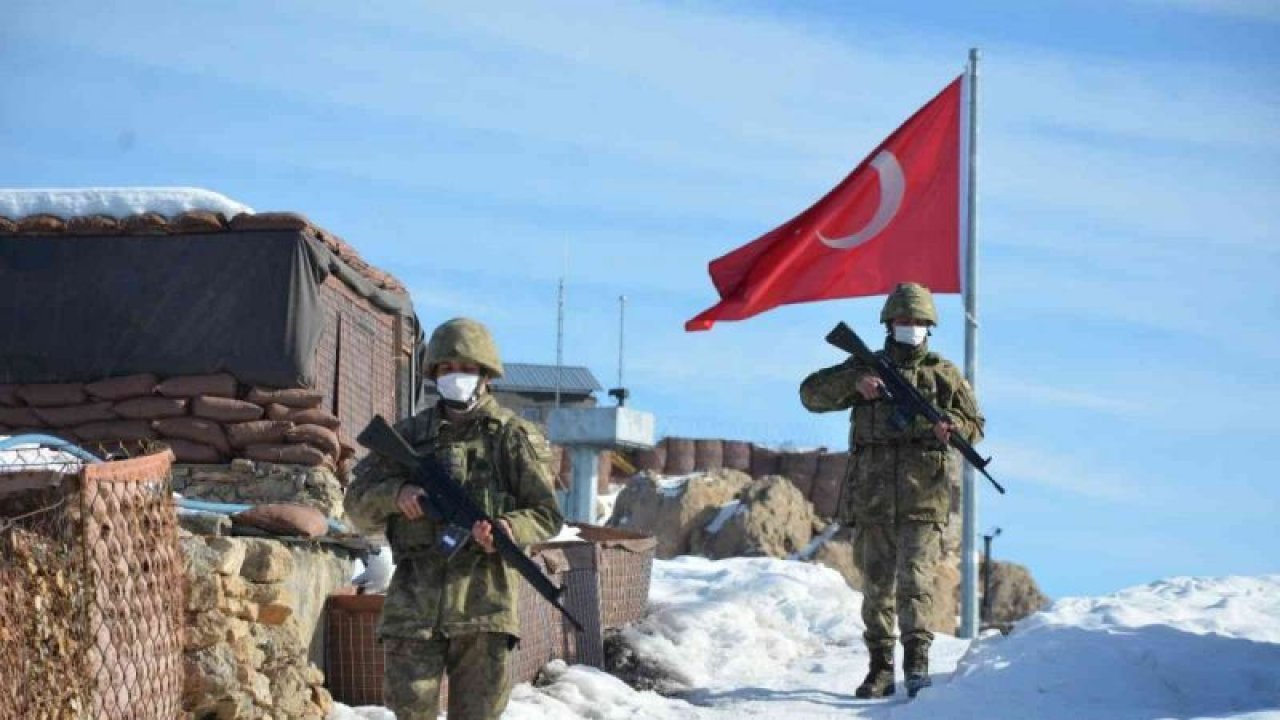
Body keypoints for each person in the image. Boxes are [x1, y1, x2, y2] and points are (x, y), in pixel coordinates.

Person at [344, 317, 564, 720]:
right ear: (433, 375)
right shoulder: (407, 436)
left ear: (485, 375)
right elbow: (355, 504)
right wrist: (396, 495)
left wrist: (510, 529)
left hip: (485, 605)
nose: (455, 376)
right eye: (446, 369)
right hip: (414, 605)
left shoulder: (511, 437)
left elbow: (547, 513)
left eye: (465, 368)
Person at [799, 282, 984, 699]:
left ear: (929, 327)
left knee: (915, 585)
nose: (911, 327)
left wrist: (949, 427)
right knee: (876, 587)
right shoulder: (866, 367)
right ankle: (880, 669)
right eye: (904, 320)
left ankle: (916, 667)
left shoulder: (944, 374)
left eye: (918, 322)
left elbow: (975, 426)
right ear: (889, 323)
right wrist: (854, 382)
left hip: (923, 498)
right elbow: (810, 394)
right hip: (872, 498)